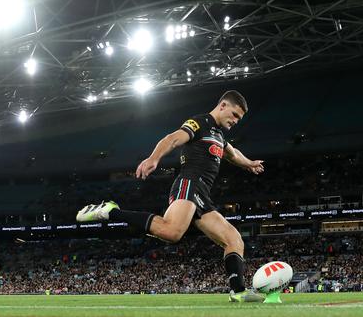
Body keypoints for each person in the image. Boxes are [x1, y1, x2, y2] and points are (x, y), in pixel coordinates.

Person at [77, 90, 265, 302]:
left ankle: (238, 292)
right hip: (189, 184)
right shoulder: (200, 122)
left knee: (234, 239)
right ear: (222, 106)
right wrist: (153, 158)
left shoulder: (219, 134)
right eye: (234, 114)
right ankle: (112, 212)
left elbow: (233, 153)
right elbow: (173, 139)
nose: (236, 120)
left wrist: (249, 163)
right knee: (172, 232)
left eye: (239, 118)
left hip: (202, 195)